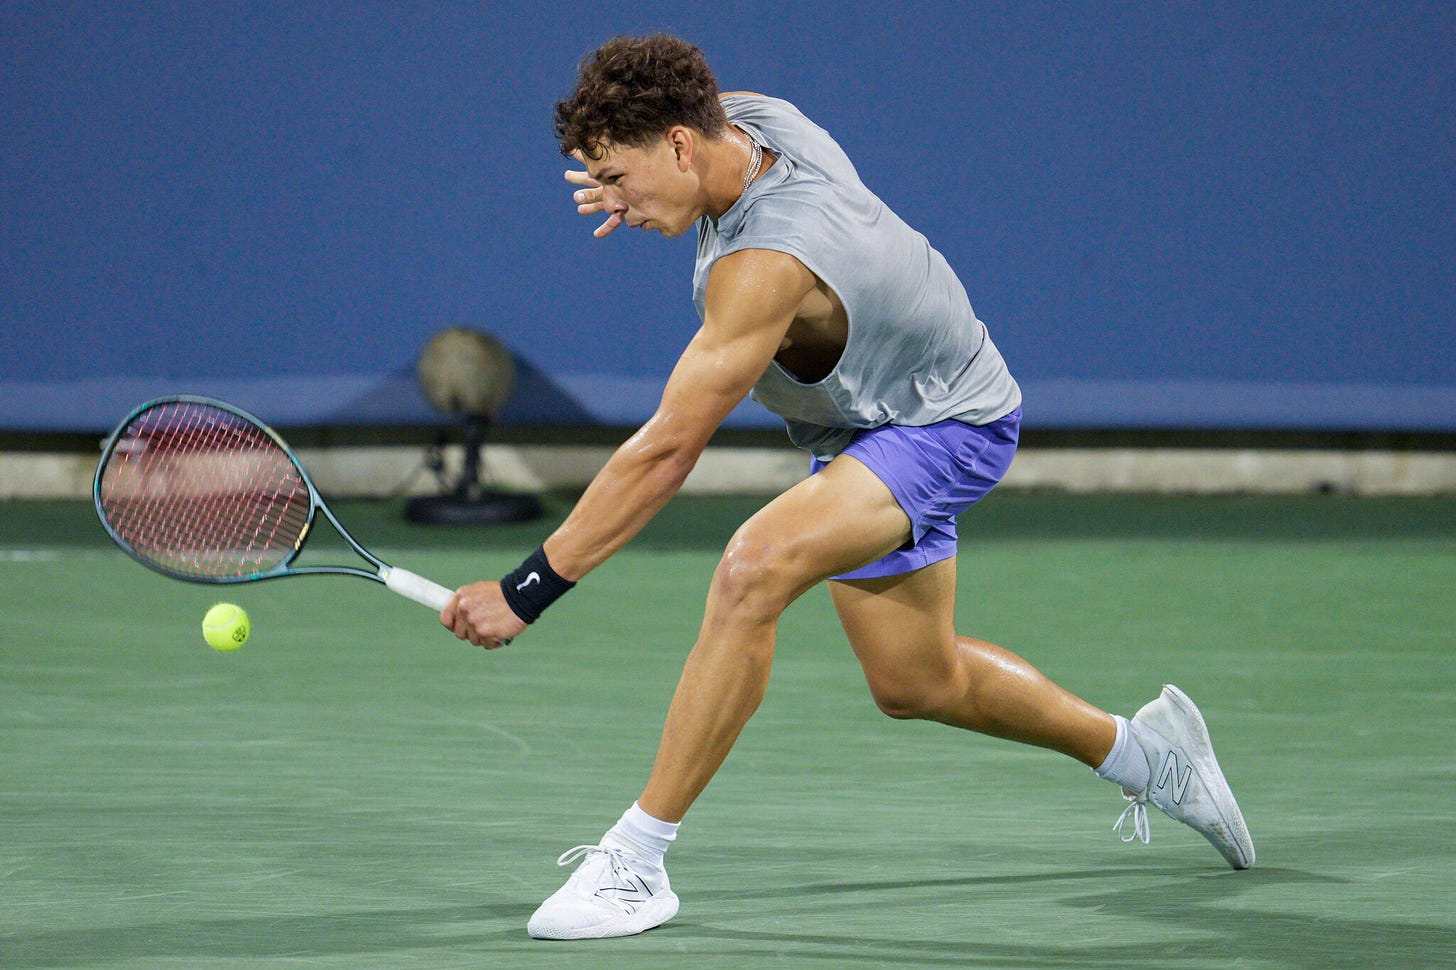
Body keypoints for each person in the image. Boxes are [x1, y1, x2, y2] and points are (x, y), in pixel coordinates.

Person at [441, 33, 1254, 940]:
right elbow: (678, 121)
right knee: (916, 681)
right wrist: (632, 178)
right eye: (601, 181)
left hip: (947, 422)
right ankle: (1152, 758)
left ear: (678, 145)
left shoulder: (765, 265)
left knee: (753, 568)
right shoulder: (741, 123)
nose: (612, 201)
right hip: (874, 417)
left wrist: (529, 588)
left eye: (616, 179)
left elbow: (668, 449)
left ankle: (636, 862)